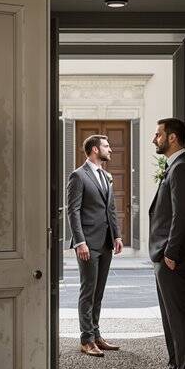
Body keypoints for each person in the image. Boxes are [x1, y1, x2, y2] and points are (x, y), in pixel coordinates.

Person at [141, 118, 185, 369]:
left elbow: (182, 215)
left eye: (158, 134)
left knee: (178, 319)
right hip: (164, 256)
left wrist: (171, 254)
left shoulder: (183, 168)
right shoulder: (174, 167)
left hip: (173, 258)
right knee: (168, 318)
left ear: (172, 138)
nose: (154, 139)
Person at [66, 134, 124, 357]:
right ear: (93, 150)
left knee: (98, 293)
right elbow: (73, 210)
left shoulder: (107, 176)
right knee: (88, 291)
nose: (111, 149)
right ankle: (86, 339)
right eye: (106, 146)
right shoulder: (78, 176)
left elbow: (110, 208)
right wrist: (80, 242)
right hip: (87, 244)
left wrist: (117, 236)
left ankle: (97, 334)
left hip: (106, 242)